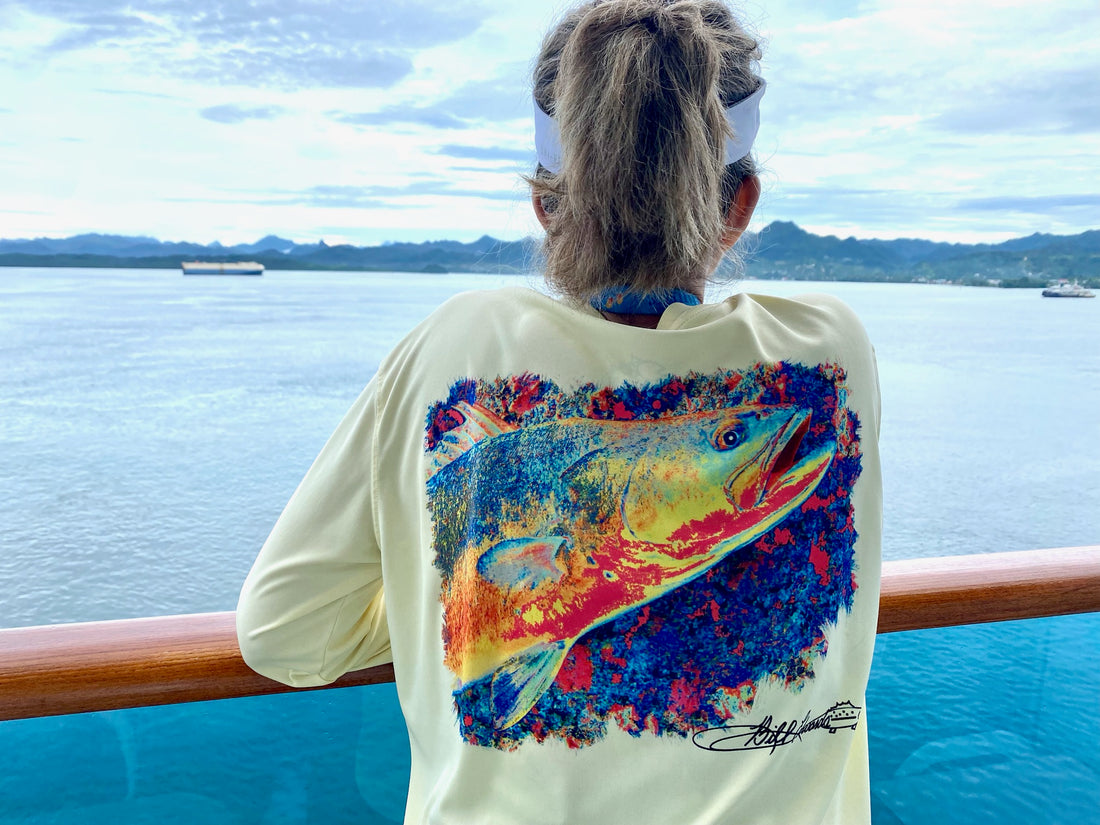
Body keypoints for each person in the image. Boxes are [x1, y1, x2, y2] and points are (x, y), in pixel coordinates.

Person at [237, 1, 882, 822]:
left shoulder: (453, 348)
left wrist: (456, 596)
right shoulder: (832, 352)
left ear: (545, 209)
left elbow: (281, 631)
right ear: (741, 204)